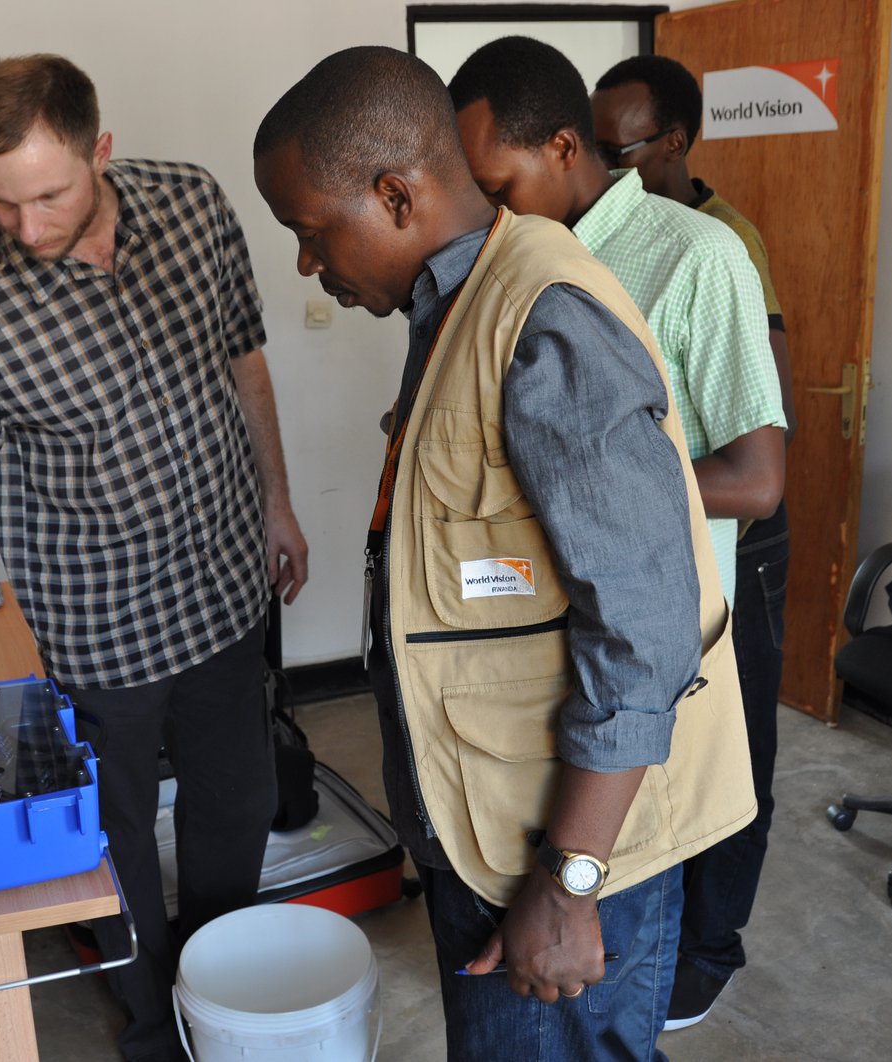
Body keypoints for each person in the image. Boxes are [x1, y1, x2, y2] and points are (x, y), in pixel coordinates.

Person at [253, 45, 754, 1062]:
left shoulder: (544, 324)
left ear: (396, 195)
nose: (308, 262)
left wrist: (569, 885)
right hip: (485, 822)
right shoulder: (454, 302)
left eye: (311, 231)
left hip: (560, 854)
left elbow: (644, 627)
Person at [0, 54, 307, 1062]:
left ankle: (217, 983)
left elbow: (242, 356)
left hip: (219, 590)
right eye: (1, 202)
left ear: (101, 152)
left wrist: (278, 502)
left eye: (49, 195)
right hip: (95, 626)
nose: (28, 229)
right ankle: (151, 1018)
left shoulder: (194, 205)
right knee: (107, 835)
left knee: (239, 799)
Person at [592, 53, 795, 1030]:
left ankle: (712, 946)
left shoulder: (721, 248)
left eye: (614, 145)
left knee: (733, 748)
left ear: (671, 141)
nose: (597, 163)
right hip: (669, 525)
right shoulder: (612, 238)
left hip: (739, 537)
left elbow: (758, 435)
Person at [448, 37, 786, 609]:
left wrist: (553, 479)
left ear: (561, 148)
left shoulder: (698, 255)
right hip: (535, 614)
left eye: (500, 190)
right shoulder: (506, 257)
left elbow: (755, 483)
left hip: (663, 632)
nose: (492, 215)